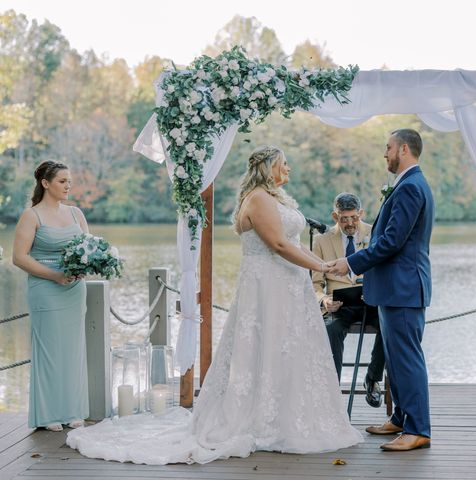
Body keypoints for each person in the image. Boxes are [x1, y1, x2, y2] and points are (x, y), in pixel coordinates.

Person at [67, 146, 362, 464]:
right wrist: (323, 267)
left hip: (286, 285)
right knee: (267, 344)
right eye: (283, 164)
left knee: (285, 348)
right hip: (268, 286)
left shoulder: (273, 197)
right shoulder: (260, 199)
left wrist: (320, 264)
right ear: (267, 168)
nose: (288, 168)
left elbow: (287, 244)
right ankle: (261, 419)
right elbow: (277, 244)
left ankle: (287, 415)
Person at [328, 129, 434, 452]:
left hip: (403, 288)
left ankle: (417, 429)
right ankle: (401, 418)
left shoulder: (411, 188)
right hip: (392, 289)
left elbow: (390, 242)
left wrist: (350, 263)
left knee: (407, 360)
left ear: (403, 149)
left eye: (387, 148)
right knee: (396, 360)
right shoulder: (407, 185)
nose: (384, 153)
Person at [12, 161, 90, 432]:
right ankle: (48, 414)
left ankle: (73, 410)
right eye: (61, 181)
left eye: (69, 181)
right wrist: (55, 275)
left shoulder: (76, 214)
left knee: (73, 350)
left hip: (74, 290)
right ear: (45, 183)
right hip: (45, 289)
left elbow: (89, 249)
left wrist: (86, 268)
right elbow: (19, 257)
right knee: (49, 352)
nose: (68, 185)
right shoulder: (32, 216)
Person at [312, 192, 385, 408]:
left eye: (354, 217)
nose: (350, 223)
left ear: (361, 213)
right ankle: (332, 391)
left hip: (370, 300)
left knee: (389, 325)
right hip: (339, 305)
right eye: (344, 219)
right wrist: (324, 299)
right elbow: (314, 284)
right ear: (335, 217)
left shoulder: (375, 233)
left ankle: (372, 379)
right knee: (331, 329)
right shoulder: (321, 241)